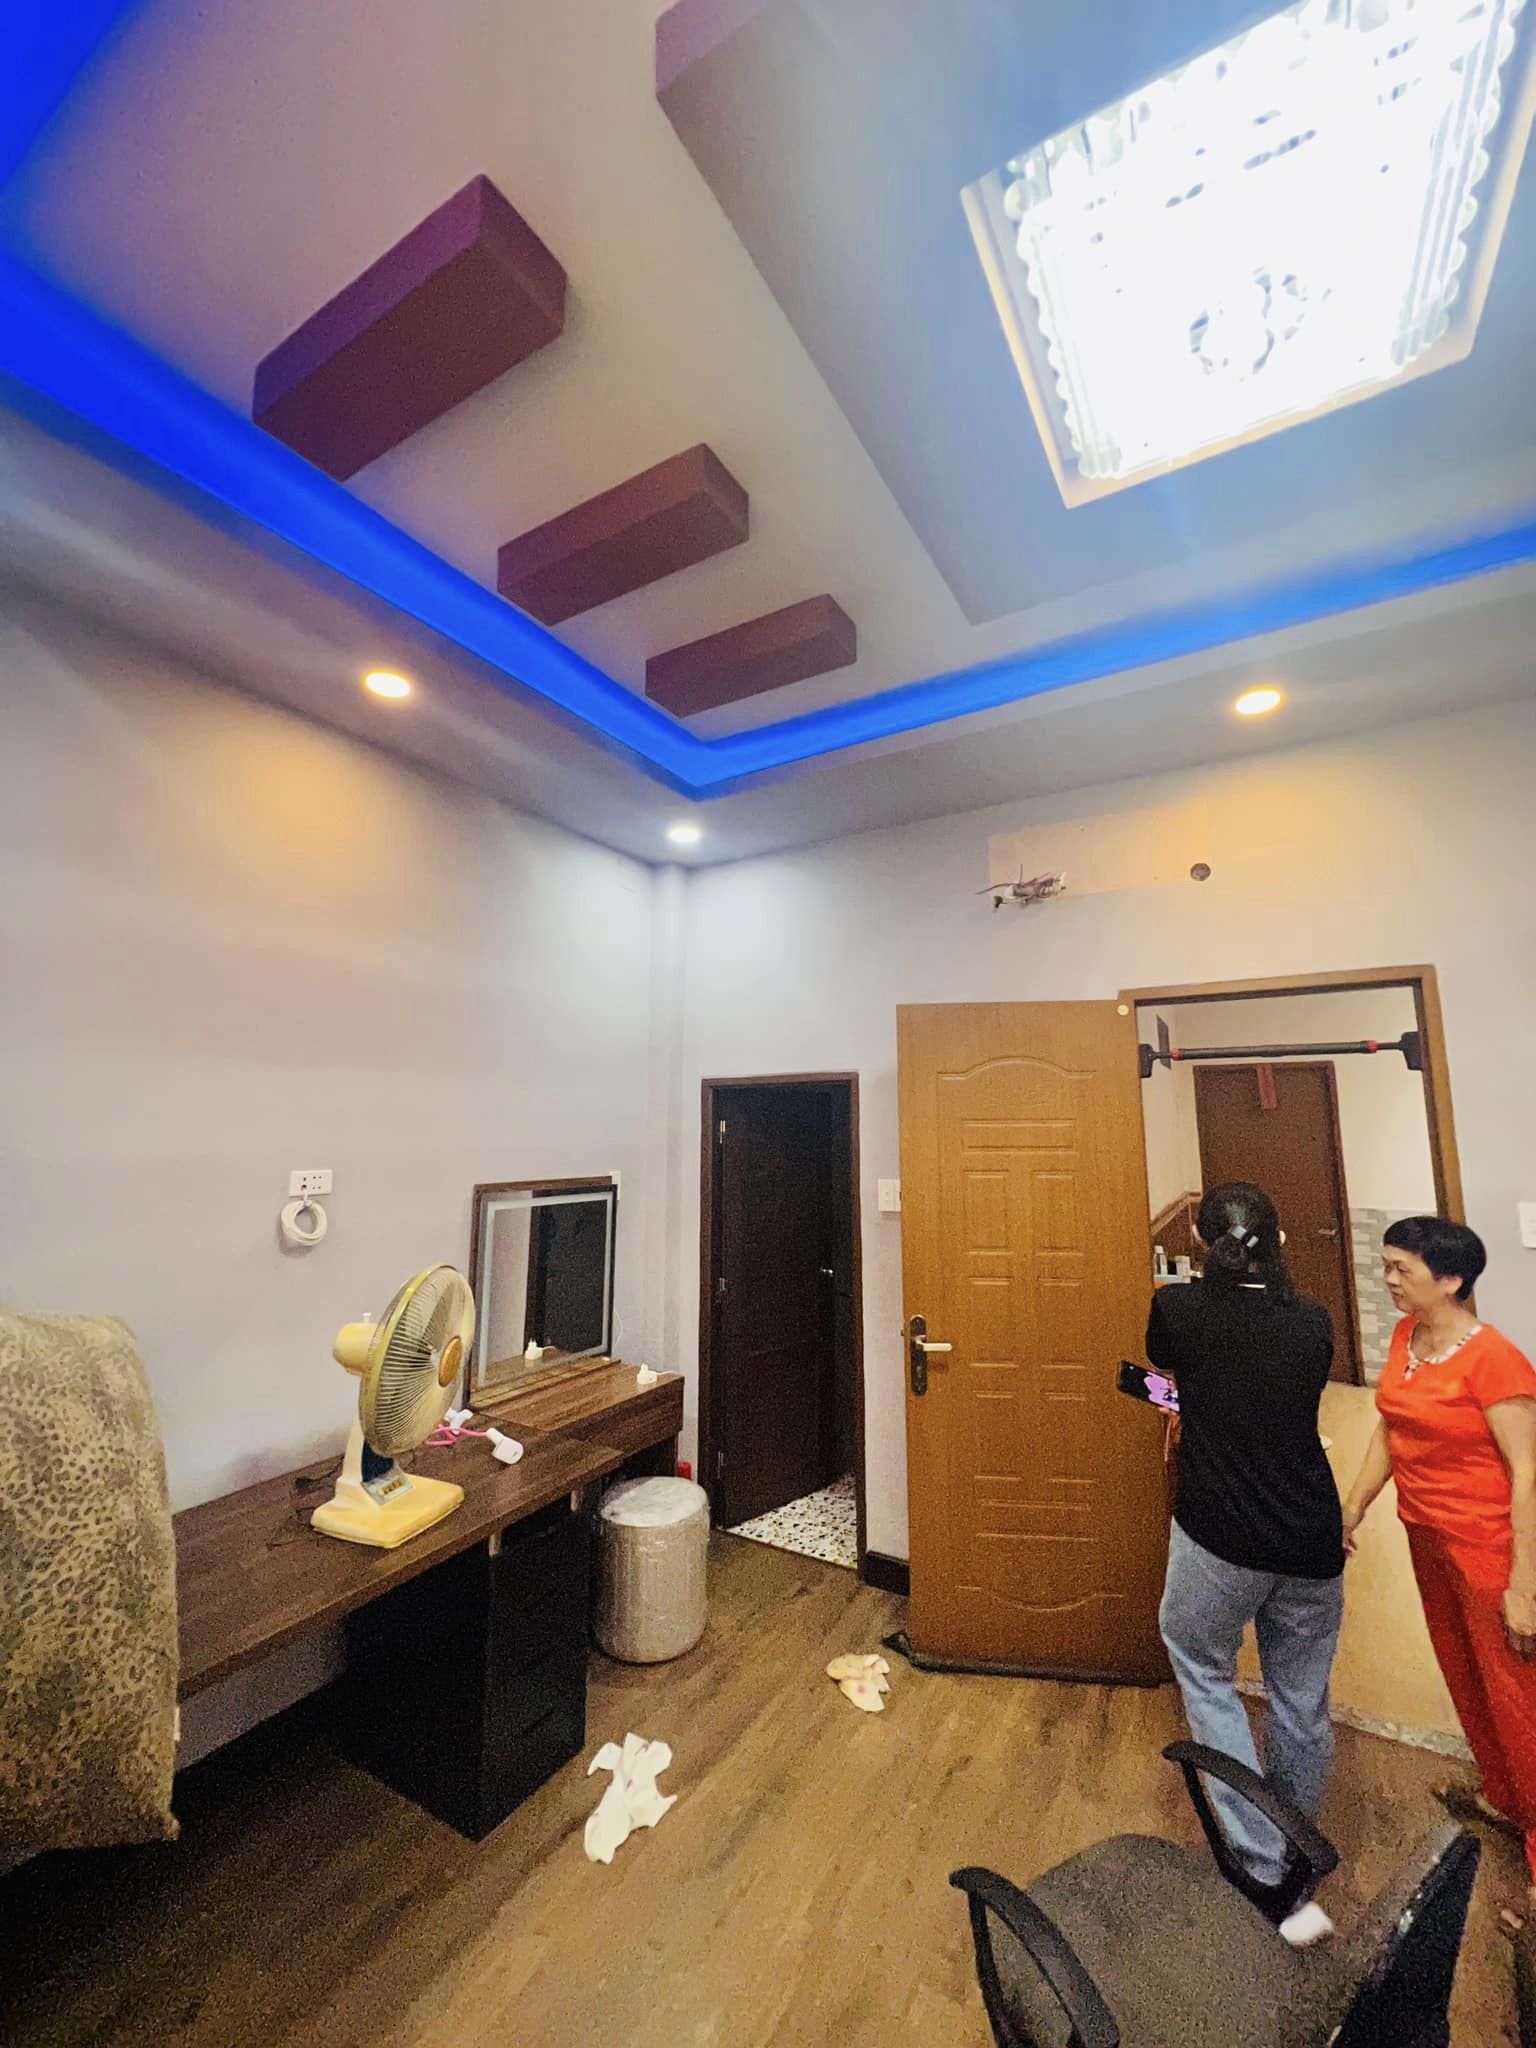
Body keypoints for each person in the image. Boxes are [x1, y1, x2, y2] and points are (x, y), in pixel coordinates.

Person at [1149, 1181, 1344, 1943]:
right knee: (1302, 1700)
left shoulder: (1178, 1309)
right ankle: (1297, 1848)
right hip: (1311, 1536)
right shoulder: (1313, 1323)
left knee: (1206, 1674)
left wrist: (1185, 1401)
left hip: (1220, 1535)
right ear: (1281, 1239)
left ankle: (1261, 1862)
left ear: (1200, 1242)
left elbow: (1173, 1366)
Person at [1341, 1216, 1536, 1936]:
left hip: (1488, 1547)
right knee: (1465, 1674)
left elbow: (1528, 1477)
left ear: (1450, 1279)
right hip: (1426, 1536)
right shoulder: (1406, 1339)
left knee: (1519, 1700)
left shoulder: (1494, 1360)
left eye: (1403, 1268)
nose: (1389, 1279)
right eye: (1387, 1265)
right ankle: (1503, 1796)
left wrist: (1524, 1584)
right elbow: (1391, 1427)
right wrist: (1353, 1505)